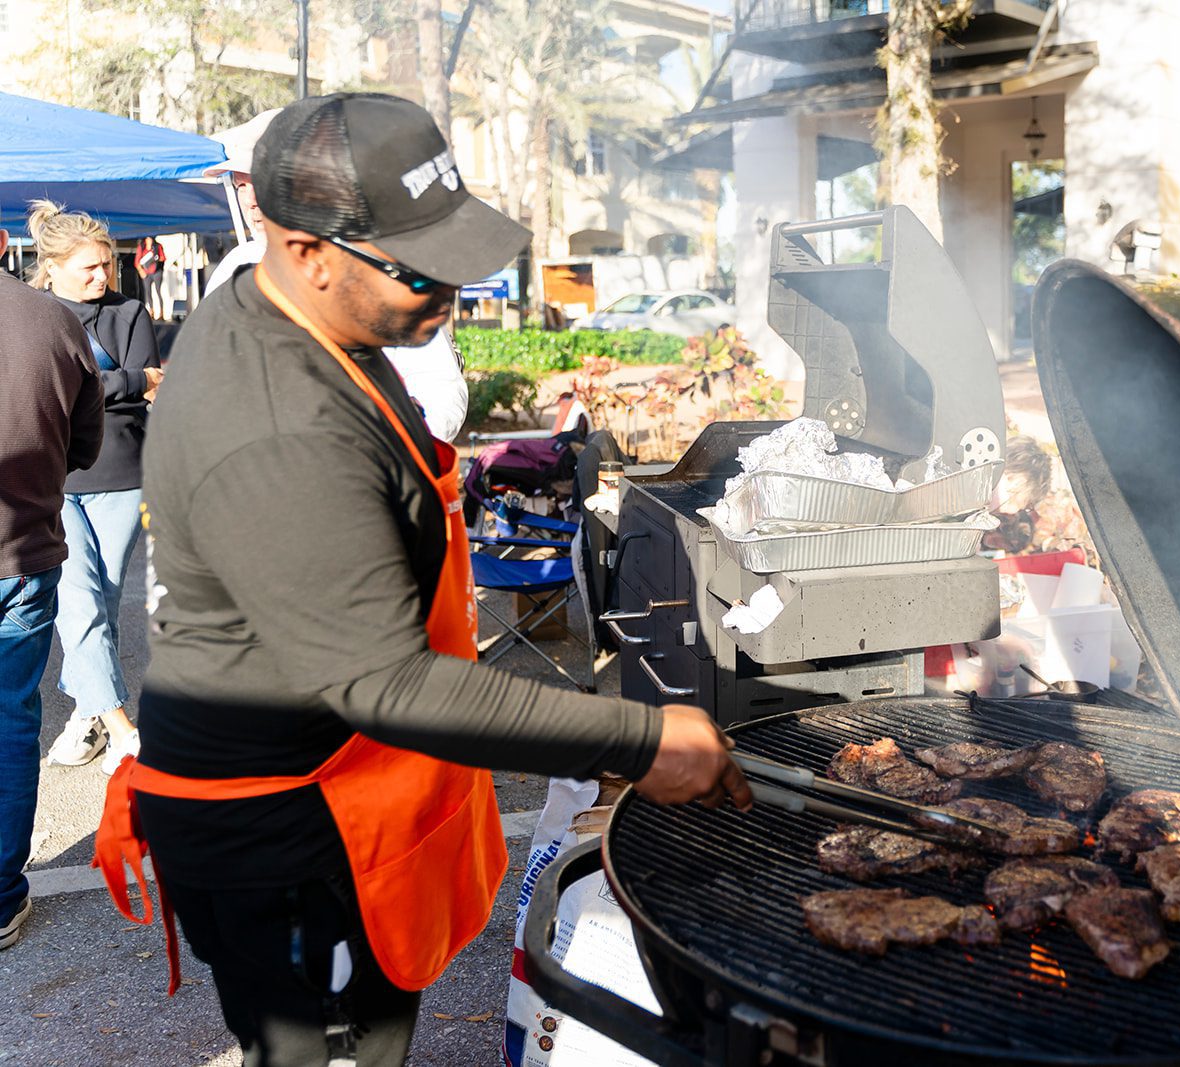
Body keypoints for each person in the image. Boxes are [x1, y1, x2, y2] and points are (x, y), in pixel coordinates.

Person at [93, 94, 748, 1066]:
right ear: (306, 250)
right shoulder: (277, 422)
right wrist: (639, 738)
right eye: (419, 269)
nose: (448, 292)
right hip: (282, 824)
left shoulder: (304, 319)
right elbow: (385, 681)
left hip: (349, 774)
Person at [204, 108, 469, 441]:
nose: (251, 200)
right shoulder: (233, 270)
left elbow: (438, 387)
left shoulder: (376, 267)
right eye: (241, 185)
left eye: (262, 183)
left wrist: (397, 446)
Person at [28, 201, 161, 775]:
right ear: (52, 267)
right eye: (88, 267)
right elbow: (49, 388)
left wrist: (103, 383)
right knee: (78, 599)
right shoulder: (32, 312)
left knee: (102, 599)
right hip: (54, 475)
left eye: (107, 264)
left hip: (123, 475)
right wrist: (126, 382)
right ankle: (123, 729)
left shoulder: (130, 312)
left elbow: (147, 385)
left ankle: (86, 715)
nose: (102, 275)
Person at [0, 225, 105, 950]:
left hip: (25, 550)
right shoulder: (55, 320)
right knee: (9, 722)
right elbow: (84, 443)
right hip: (24, 549)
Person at [135, 236, 166, 320]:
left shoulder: (157, 246)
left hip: (157, 272)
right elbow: (137, 262)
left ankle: (161, 312)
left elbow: (163, 257)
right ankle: (151, 312)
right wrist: (141, 271)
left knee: (158, 291)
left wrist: (156, 259)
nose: (149, 240)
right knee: (147, 292)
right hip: (146, 273)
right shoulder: (141, 247)